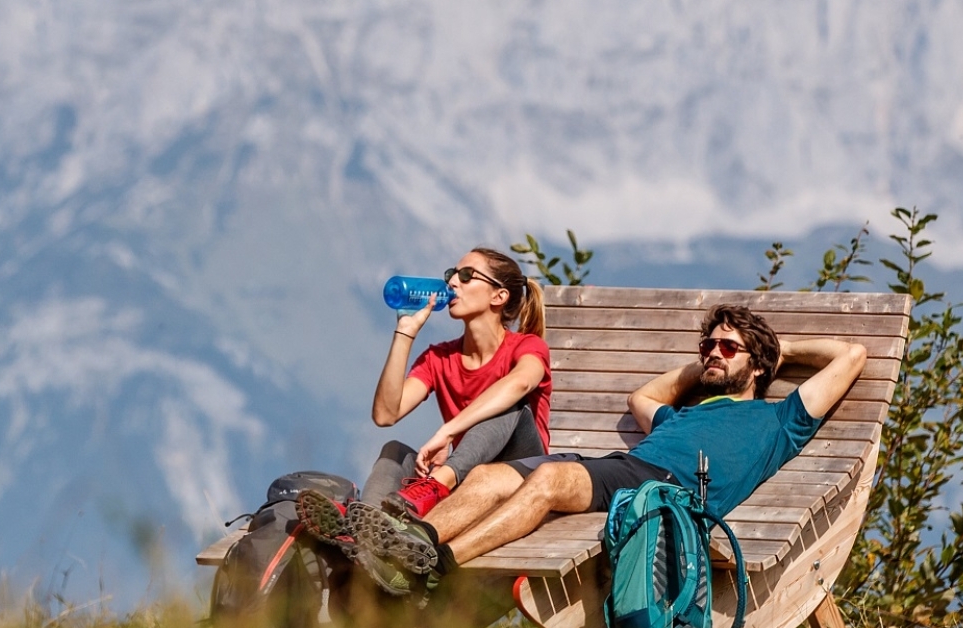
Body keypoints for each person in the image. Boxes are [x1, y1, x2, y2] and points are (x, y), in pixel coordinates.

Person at [344, 303, 867, 585]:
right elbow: (642, 396)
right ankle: (402, 543)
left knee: (547, 478)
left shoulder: (778, 421)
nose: (712, 354)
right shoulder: (682, 413)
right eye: (707, 345)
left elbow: (852, 355)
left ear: (756, 364)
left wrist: (777, 347)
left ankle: (438, 565)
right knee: (488, 477)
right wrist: (711, 360)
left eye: (727, 348)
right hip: (626, 469)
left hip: (669, 497)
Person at [297, 247, 552, 592]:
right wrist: (405, 331)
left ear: (499, 295)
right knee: (393, 449)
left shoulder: (527, 346)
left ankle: (431, 490)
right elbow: (386, 414)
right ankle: (364, 531)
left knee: (509, 405)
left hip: (521, 477)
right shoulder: (439, 357)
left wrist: (448, 431)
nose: (452, 283)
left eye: (465, 275)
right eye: (451, 274)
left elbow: (521, 382)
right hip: (469, 480)